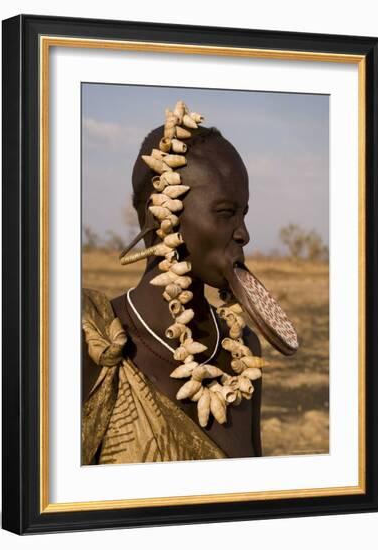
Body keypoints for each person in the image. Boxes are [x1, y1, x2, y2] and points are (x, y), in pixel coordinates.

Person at [82, 102, 263, 465]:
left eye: (244, 213)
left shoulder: (242, 350)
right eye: (226, 213)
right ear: (159, 215)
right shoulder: (93, 341)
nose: (243, 233)